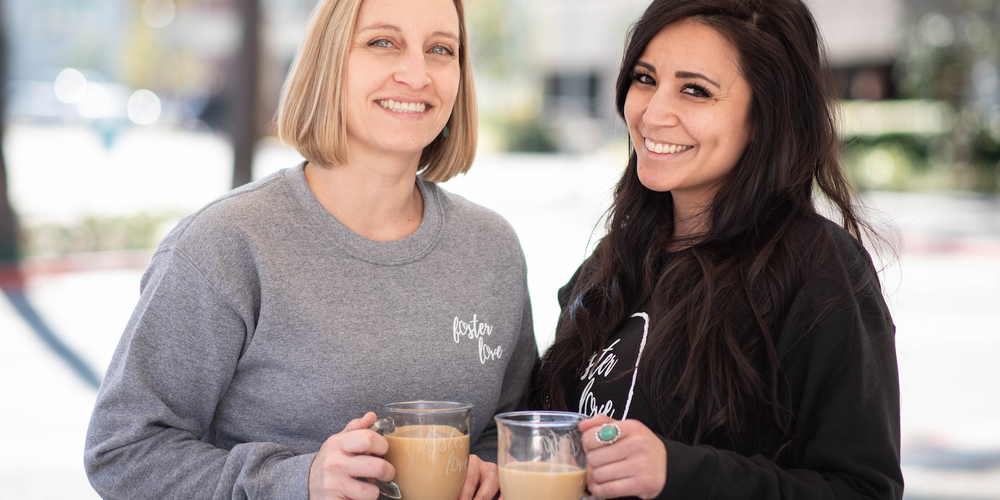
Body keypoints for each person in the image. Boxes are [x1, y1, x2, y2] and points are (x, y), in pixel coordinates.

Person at [84, 0, 538, 498]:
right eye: (382, 42)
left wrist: (492, 470)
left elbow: (507, 429)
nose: (416, 73)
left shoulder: (492, 248)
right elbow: (122, 452)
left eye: (440, 49)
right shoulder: (227, 244)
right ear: (328, 62)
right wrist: (296, 480)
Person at [530, 0, 903, 498]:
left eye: (695, 90)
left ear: (766, 114)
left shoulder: (817, 267)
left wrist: (677, 472)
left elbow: (863, 489)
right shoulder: (608, 265)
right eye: (645, 78)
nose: (654, 111)